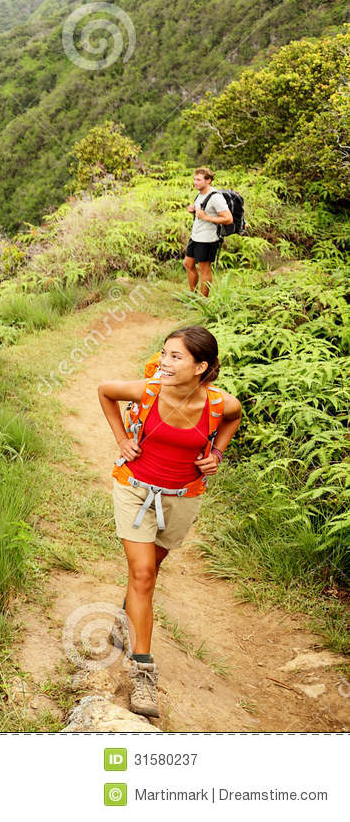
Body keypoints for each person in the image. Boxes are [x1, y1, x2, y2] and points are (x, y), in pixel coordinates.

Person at [96, 326, 242, 718]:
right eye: (164, 353)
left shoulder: (216, 404)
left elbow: (235, 414)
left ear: (202, 367)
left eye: (176, 357)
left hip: (182, 498)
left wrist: (218, 453)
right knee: (143, 573)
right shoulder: (147, 391)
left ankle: (124, 617)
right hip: (135, 489)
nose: (164, 362)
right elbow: (105, 391)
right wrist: (121, 439)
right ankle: (143, 669)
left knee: (151, 570)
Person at [183, 167, 232, 298]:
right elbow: (203, 212)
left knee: (204, 269)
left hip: (208, 239)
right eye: (194, 179)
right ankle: (193, 295)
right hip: (196, 236)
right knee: (188, 264)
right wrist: (194, 210)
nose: (195, 182)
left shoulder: (216, 197)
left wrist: (206, 217)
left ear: (208, 180)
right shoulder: (200, 194)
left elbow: (228, 218)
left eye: (198, 179)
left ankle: (203, 301)